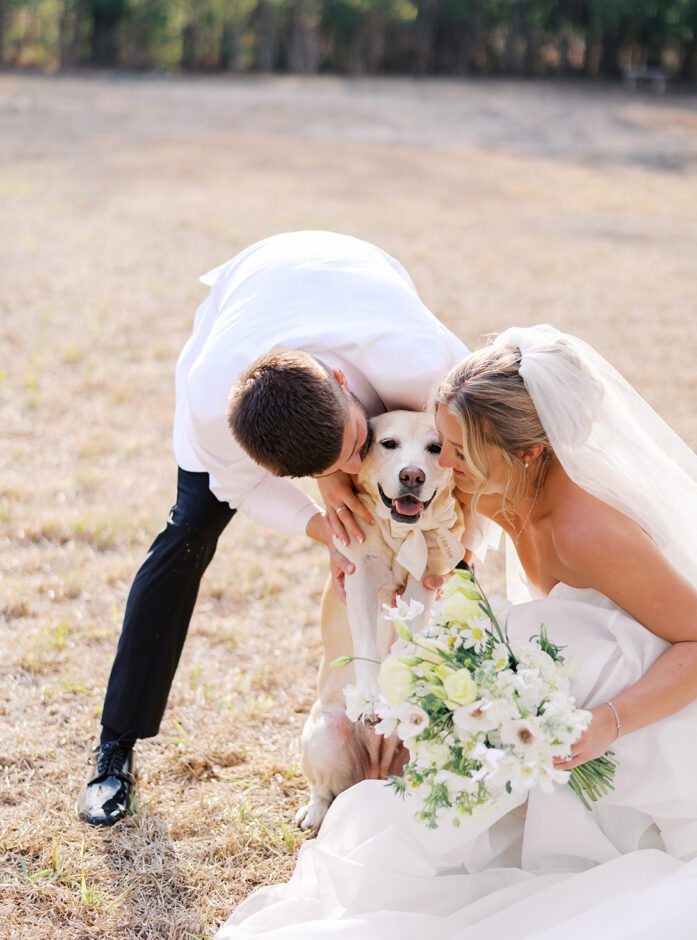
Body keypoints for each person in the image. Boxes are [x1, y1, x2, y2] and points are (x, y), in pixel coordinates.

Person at [118, 325, 697, 940]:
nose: (437, 468)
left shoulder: (587, 527)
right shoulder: (493, 491)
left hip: (668, 708)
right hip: (568, 688)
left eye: (455, 451)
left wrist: (600, 724)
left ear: (528, 452)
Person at [77, 230, 469, 827]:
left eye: (355, 446)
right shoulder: (212, 403)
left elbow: (472, 457)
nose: (347, 470)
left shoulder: (421, 363)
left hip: (354, 284)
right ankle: (115, 746)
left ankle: (457, 726)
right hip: (251, 301)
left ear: (345, 388)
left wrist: (448, 554)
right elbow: (239, 485)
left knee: (445, 549)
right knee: (186, 535)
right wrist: (324, 521)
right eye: (324, 469)